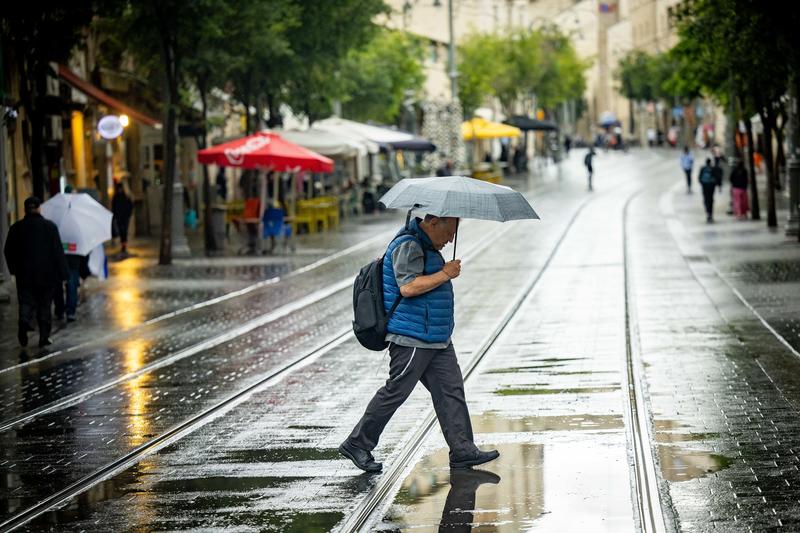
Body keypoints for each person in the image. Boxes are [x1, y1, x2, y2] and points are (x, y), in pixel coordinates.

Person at [339, 214, 500, 472]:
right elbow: (409, 287)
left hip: (435, 337)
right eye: (450, 231)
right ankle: (358, 442)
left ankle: (462, 449)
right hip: (412, 336)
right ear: (434, 221)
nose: (451, 239)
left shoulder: (426, 246)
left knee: (451, 390)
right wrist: (445, 273)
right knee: (396, 390)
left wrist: (442, 271)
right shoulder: (409, 245)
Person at [4, 196, 69, 347]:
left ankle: (24, 320)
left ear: (25, 210)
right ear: (39, 208)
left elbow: (7, 251)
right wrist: (63, 273)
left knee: (25, 300)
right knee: (44, 305)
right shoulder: (50, 227)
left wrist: (14, 269)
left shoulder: (16, 228)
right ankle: (44, 337)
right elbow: (57, 252)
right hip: (46, 275)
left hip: (24, 274)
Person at [111, 180, 134, 255]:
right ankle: (123, 245)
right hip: (119, 217)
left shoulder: (125, 197)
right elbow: (114, 207)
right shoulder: (116, 197)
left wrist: (128, 214)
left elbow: (130, 206)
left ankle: (124, 245)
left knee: (124, 231)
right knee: (121, 231)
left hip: (124, 217)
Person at [698, 158, 717, 222]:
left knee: (706, 199)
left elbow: (699, 178)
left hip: (705, 186)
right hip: (711, 186)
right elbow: (716, 178)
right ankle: (710, 213)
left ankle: (708, 213)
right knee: (711, 199)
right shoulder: (713, 168)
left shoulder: (703, 168)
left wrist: (702, 183)